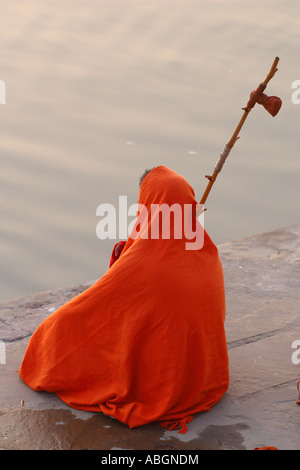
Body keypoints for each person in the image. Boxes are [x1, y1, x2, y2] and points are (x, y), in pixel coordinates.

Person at [19, 165, 229, 433]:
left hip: (162, 384)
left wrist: (49, 334)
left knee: (58, 332)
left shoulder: (146, 260)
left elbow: (99, 306)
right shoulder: (206, 253)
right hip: (201, 379)